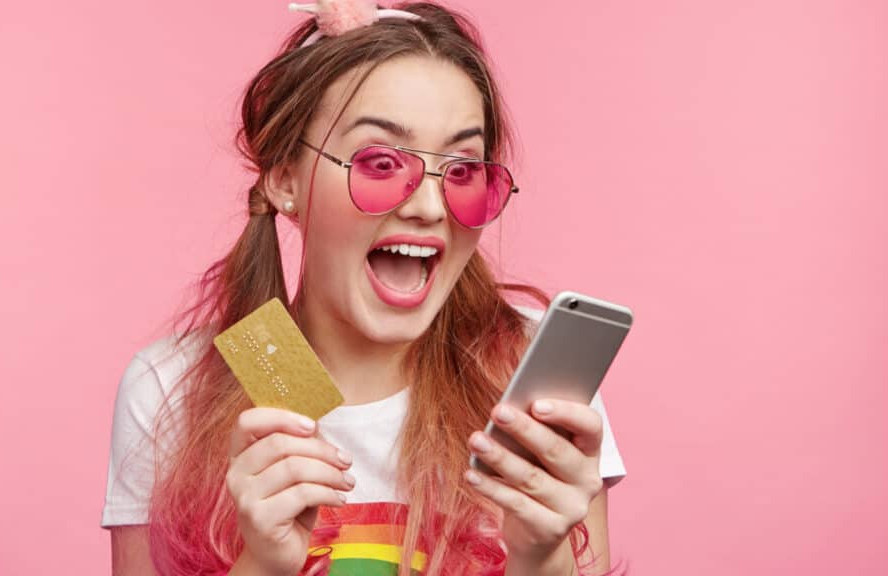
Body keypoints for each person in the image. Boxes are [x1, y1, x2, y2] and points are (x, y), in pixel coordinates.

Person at [102, 2, 628, 575]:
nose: (429, 207)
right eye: (380, 162)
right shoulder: (170, 389)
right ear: (285, 180)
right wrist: (263, 565)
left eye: (463, 170)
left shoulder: (530, 380)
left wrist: (542, 556)